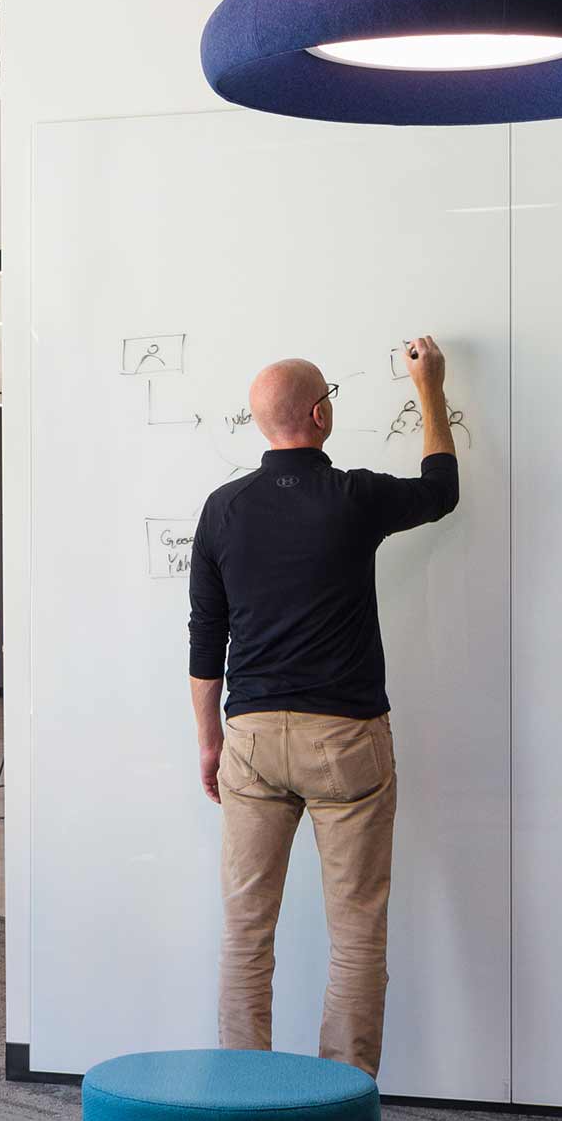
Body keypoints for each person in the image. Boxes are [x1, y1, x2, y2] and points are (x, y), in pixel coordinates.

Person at [187, 344, 459, 1077]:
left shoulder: (222, 509)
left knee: (246, 930)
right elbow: (441, 488)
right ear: (321, 414)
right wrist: (428, 390)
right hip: (345, 740)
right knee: (358, 933)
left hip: (249, 737)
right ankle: (342, 1103)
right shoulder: (353, 495)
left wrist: (210, 740)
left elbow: (206, 637)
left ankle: (243, 1100)